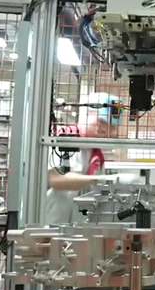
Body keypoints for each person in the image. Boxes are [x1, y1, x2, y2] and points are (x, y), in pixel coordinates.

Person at [42, 92, 124, 224]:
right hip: (48, 224)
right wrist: (102, 179)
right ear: (86, 116)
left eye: (110, 128)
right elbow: (54, 179)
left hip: (76, 228)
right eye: (100, 124)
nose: (105, 131)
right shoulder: (63, 140)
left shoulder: (96, 157)